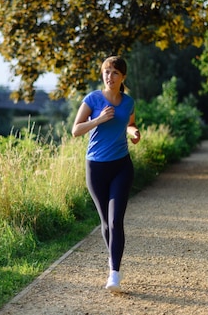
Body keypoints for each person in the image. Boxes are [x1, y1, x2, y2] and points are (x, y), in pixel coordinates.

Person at [71, 55, 140, 292]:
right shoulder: (93, 99)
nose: (109, 77)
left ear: (123, 77)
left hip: (121, 165)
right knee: (105, 223)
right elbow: (76, 130)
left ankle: (114, 274)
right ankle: (113, 261)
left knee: (115, 220)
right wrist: (99, 119)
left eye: (115, 73)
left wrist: (134, 132)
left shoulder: (128, 102)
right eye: (106, 72)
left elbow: (129, 123)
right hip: (96, 167)